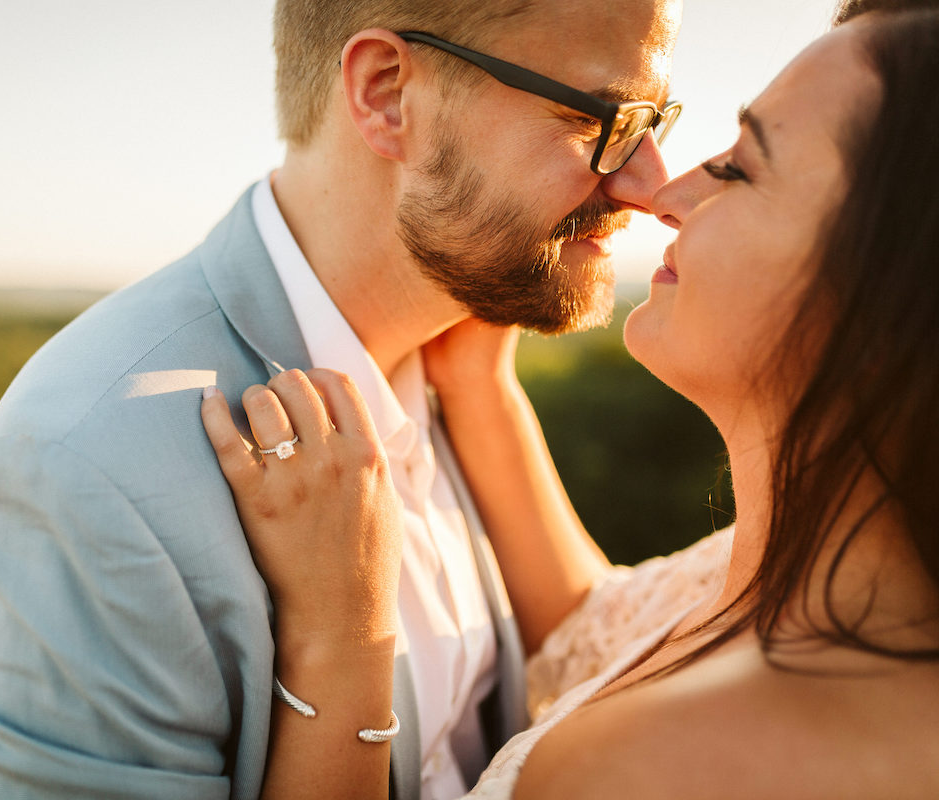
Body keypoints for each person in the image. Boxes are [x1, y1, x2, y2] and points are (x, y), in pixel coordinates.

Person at [0, 0, 680, 797]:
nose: (648, 184)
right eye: (605, 117)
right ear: (387, 94)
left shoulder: (465, 361)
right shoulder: (80, 472)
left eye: (658, 121)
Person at [201, 4, 939, 798]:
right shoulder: (839, 578)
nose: (665, 191)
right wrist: (482, 392)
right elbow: (602, 635)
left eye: (739, 168)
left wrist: (344, 643)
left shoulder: (656, 770)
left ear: (886, 292)